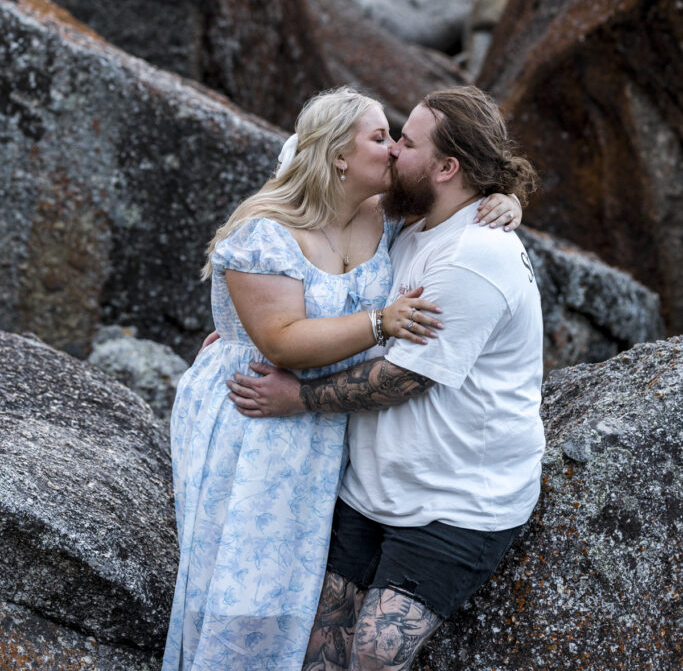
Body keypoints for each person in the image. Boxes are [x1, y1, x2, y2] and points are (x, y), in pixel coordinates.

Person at [162, 85, 522, 671]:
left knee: (304, 596)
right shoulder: (263, 232)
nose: (395, 151)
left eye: (400, 138)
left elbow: (451, 198)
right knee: (244, 587)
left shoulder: (386, 217)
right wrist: (380, 321)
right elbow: (281, 341)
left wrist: (506, 199)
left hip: (329, 426)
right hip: (259, 414)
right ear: (337, 156)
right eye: (382, 138)